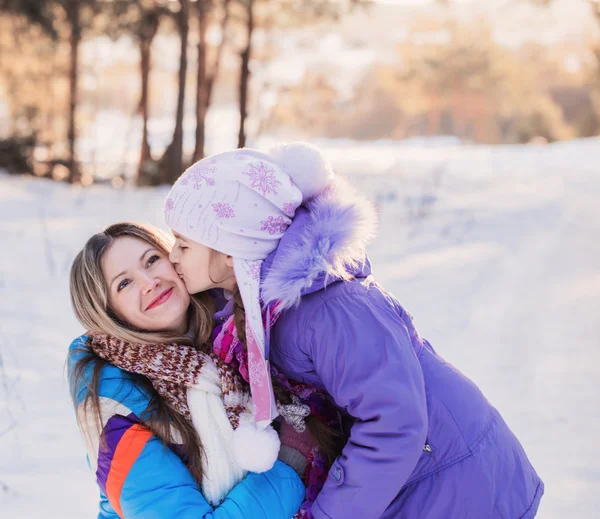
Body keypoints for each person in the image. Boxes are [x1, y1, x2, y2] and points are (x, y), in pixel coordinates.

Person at [164, 142, 545, 519]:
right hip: (415, 476)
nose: (171, 256)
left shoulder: (331, 310)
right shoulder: (251, 304)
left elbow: (394, 423)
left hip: (455, 479)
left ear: (231, 251)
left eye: (183, 245)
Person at [67, 222, 310, 519]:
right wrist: (292, 463)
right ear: (108, 314)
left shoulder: (236, 332)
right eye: (124, 283)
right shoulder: (114, 411)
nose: (149, 281)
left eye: (152, 260)